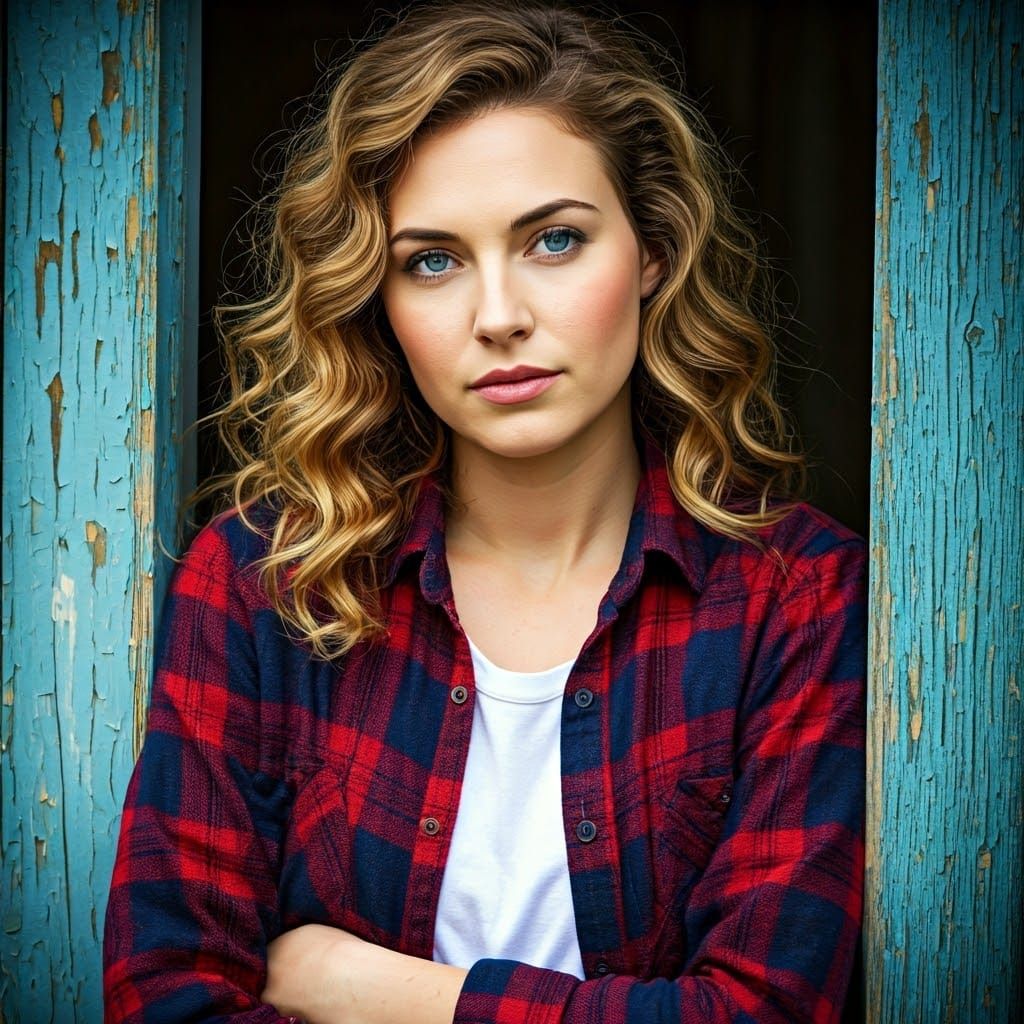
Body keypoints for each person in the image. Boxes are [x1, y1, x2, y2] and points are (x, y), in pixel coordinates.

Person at [103, 2, 867, 1021]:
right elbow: (163, 994)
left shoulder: (802, 599)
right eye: (433, 260)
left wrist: (379, 991)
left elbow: (764, 1008)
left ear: (651, 251)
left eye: (554, 240)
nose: (499, 314)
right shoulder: (263, 584)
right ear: (376, 296)